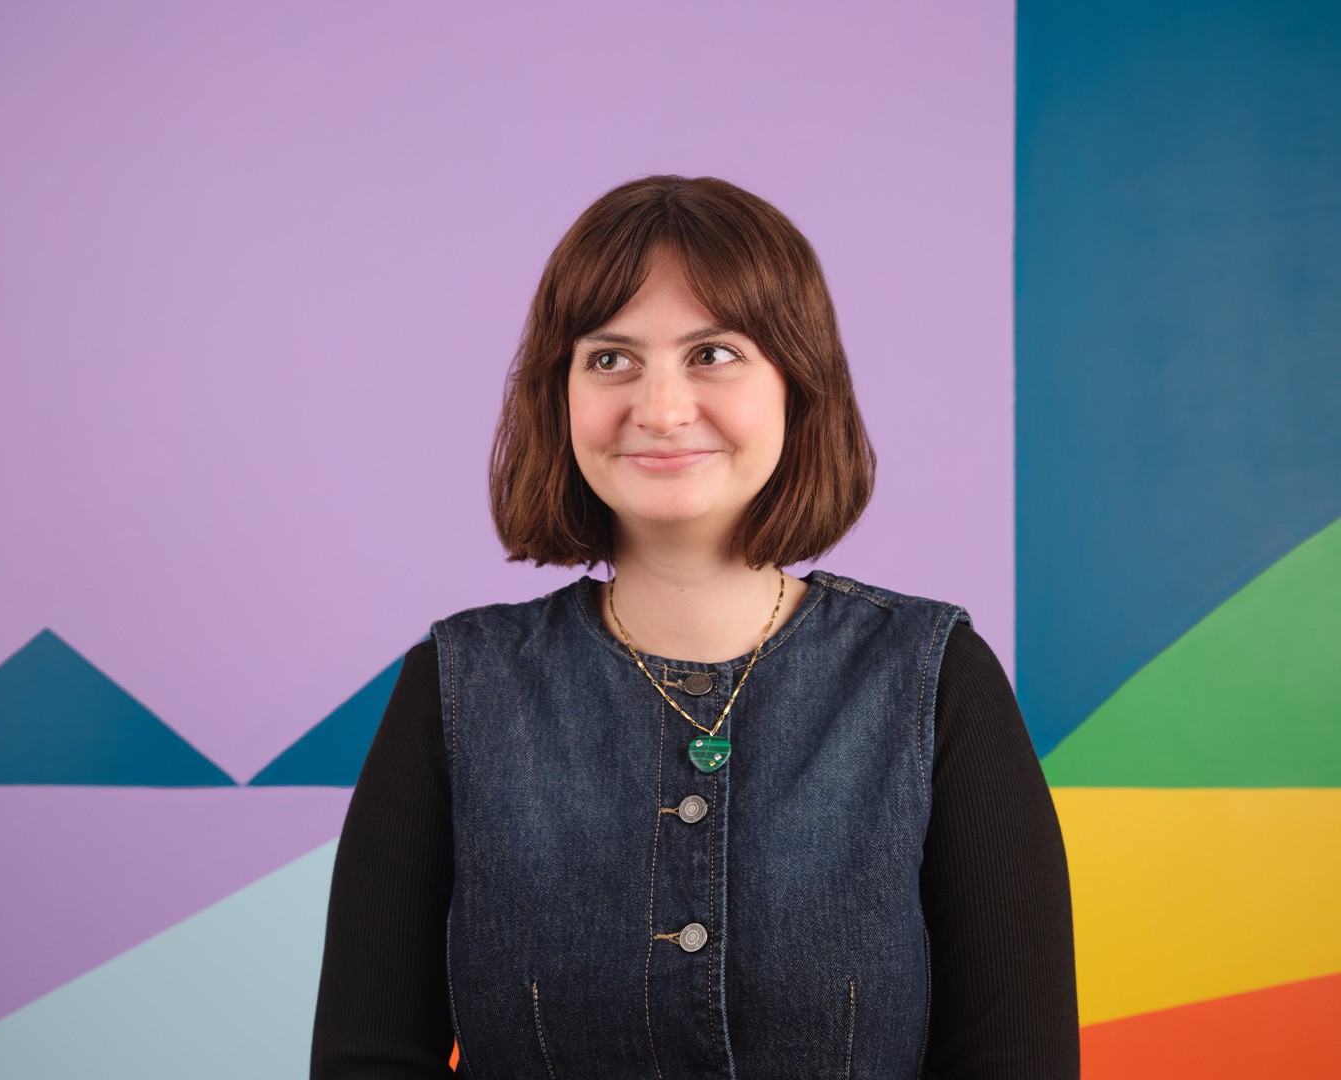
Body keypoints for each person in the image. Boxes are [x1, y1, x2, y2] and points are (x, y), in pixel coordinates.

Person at [310, 175, 1079, 1079]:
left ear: (799, 381)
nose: (662, 409)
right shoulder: (456, 686)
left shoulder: (935, 679)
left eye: (713, 353)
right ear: (558, 392)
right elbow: (367, 1060)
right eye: (611, 359)